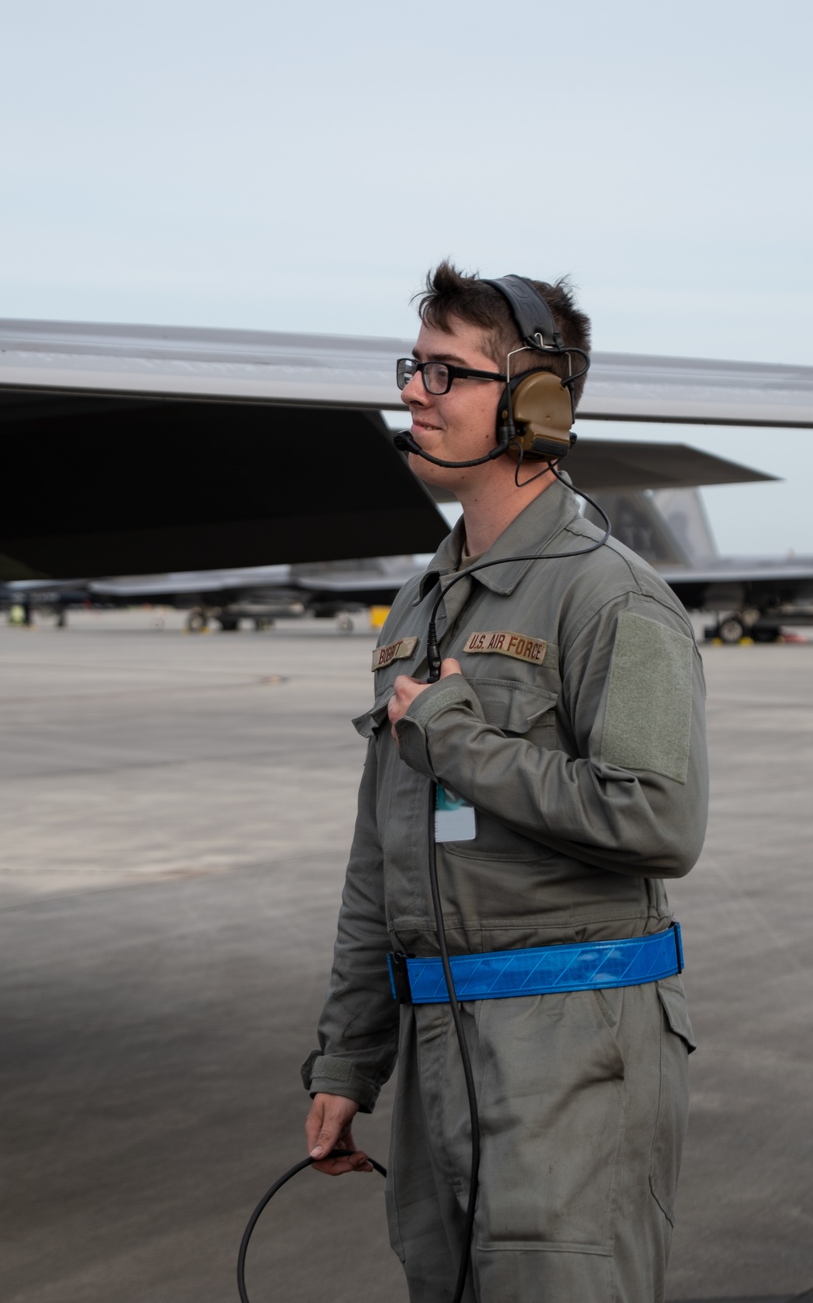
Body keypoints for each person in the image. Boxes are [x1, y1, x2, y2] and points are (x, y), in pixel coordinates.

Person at [301, 263, 708, 1303]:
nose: (414, 392)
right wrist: (350, 1059)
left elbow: (658, 818)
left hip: (569, 1057)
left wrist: (457, 738)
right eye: (413, 366)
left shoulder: (611, 597)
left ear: (535, 403)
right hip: (440, 1051)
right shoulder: (419, 604)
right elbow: (377, 851)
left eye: (448, 371)